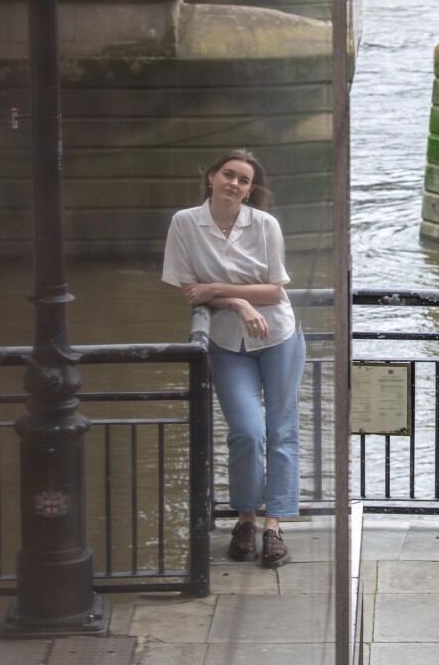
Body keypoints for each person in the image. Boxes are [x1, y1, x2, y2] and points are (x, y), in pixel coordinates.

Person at [161, 149, 305, 568]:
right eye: (229, 175)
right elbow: (190, 289)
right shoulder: (185, 223)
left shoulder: (264, 225)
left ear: (250, 189)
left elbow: (276, 290)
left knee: (281, 430)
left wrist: (217, 291)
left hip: (277, 334)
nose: (235, 184)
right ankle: (245, 518)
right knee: (246, 431)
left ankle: (274, 525)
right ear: (210, 176)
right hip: (226, 341)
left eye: (244, 180)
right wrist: (241, 303)